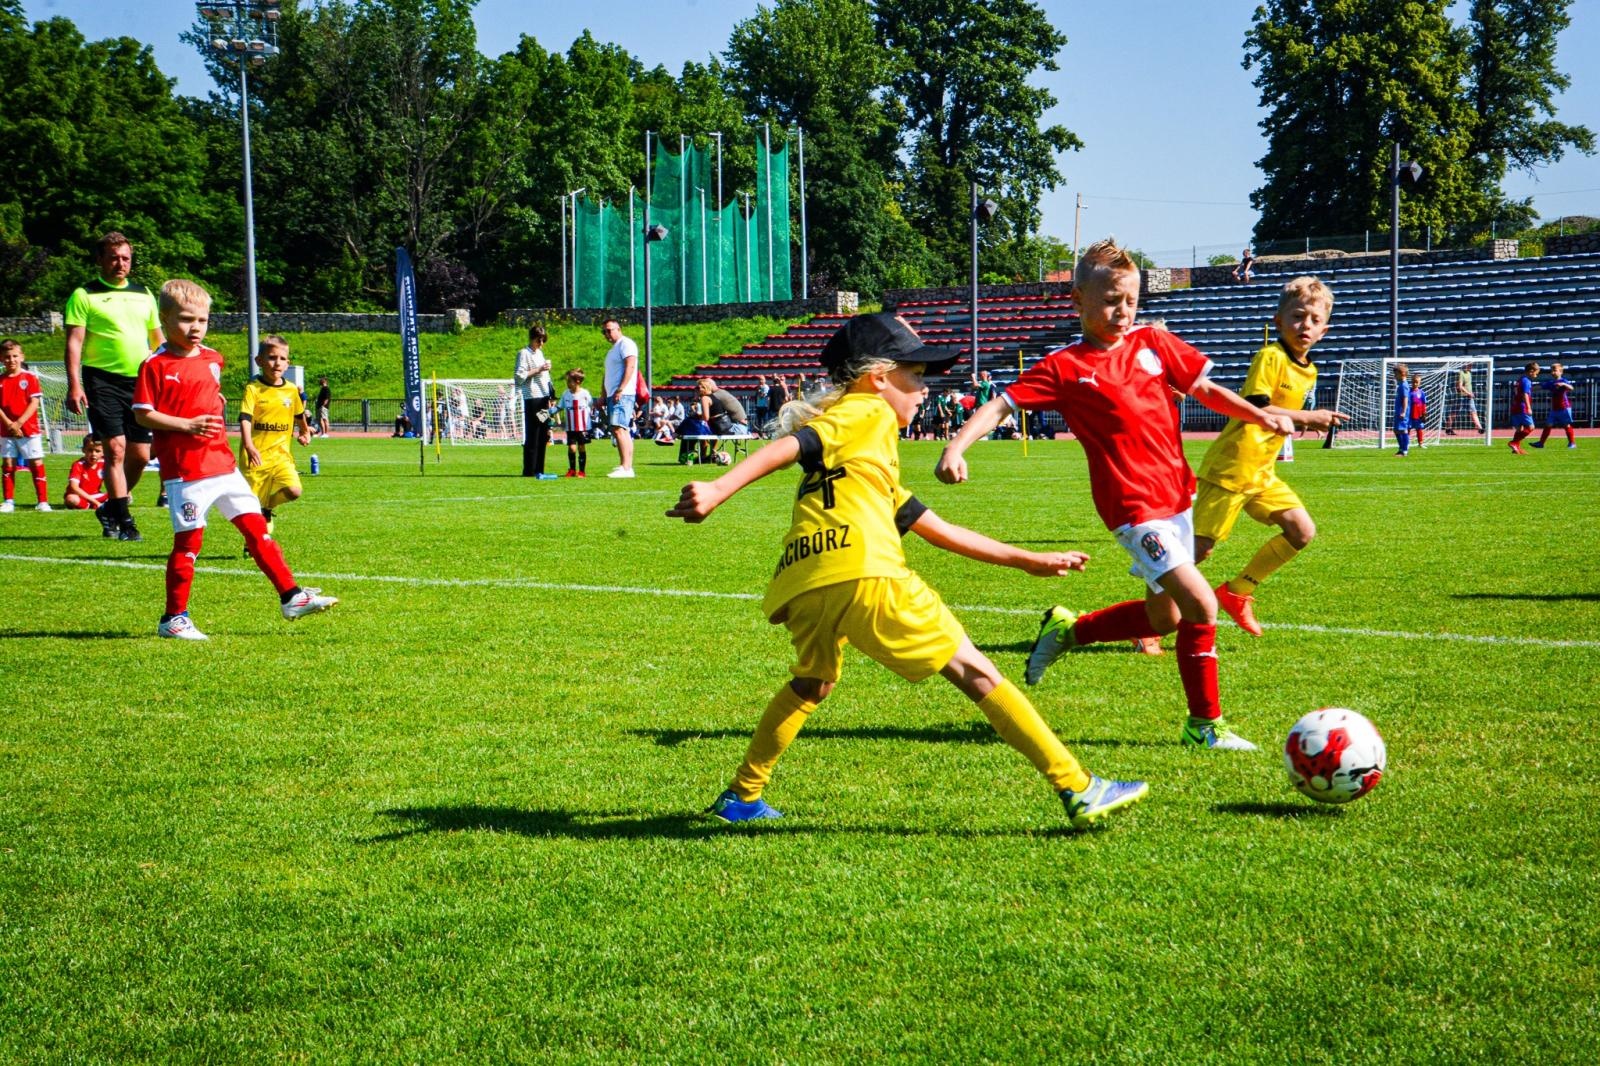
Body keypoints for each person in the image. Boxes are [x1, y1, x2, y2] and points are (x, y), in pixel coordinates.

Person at [667, 311, 1147, 829]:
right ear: (878, 377)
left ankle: (742, 796)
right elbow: (797, 443)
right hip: (865, 571)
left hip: (805, 578)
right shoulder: (867, 411)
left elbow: (934, 527)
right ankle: (1077, 786)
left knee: (812, 683)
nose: (924, 390)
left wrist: (1028, 560)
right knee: (977, 672)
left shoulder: (866, 457)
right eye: (915, 375)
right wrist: (718, 488)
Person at [937, 238, 1295, 752]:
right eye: (1110, 301)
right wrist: (955, 446)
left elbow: (1205, 390)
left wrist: (1259, 415)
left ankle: (1069, 631)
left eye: (1130, 300)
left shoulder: (1154, 343)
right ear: (1078, 300)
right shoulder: (1064, 366)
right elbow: (1001, 406)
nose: (1123, 311)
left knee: (1165, 618)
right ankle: (1204, 726)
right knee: (1200, 605)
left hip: (1178, 498)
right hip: (1132, 508)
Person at [132, 279, 337, 641]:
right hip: (186, 470)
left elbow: (206, 395)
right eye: (186, 319)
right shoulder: (155, 365)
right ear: (164, 319)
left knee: (257, 529)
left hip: (223, 464)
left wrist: (215, 404)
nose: (195, 327)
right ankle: (173, 618)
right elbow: (142, 413)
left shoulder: (213, 359)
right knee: (189, 544)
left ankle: (291, 597)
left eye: (202, 320)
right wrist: (186, 424)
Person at [1192, 276, 1349, 638]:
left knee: (1301, 531)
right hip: (1233, 466)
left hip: (1262, 471)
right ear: (1278, 321)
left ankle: (1237, 592)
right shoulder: (1270, 356)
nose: (1305, 325)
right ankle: (1147, 623)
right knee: (1196, 552)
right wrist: (1308, 417)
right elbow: (1257, 406)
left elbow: (1281, 416)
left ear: (1324, 331)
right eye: (1297, 316)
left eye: (1314, 320)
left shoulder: (1309, 369)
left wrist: (1303, 420)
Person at [63, 231, 164, 540]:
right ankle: (125, 520)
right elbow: (74, 343)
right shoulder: (84, 295)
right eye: (113, 258)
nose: (120, 263)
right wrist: (74, 384)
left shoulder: (144, 293)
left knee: (141, 455)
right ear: (100, 260)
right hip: (101, 380)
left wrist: (168, 376)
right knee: (116, 449)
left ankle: (110, 507)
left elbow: (157, 340)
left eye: (125, 258)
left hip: (140, 381)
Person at [238, 335, 311, 545]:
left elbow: (299, 414)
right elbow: (245, 418)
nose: (277, 363)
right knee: (251, 507)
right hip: (256, 458)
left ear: (288, 363)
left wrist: (304, 431)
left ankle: (268, 507)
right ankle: (252, 543)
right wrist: (249, 445)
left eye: (282, 358)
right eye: (271, 357)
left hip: (281, 456)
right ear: (259, 361)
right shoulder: (253, 389)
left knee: (294, 490)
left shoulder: (291, 390)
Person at [0, 339, 50, 512]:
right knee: (8, 463)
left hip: (29, 429)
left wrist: (19, 423)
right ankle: (8, 501)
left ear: (22, 357)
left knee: (35, 463)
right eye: (7, 357)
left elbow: (34, 402)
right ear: (1, 359)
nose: (11, 360)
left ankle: (42, 501)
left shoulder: (30, 377)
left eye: (15, 356)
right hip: (6, 430)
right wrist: (10, 424)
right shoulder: (1, 380)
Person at [514, 324, 556, 478]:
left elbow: (546, 377)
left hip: (544, 397)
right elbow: (519, 376)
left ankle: (539, 469)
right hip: (532, 397)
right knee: (533, 432)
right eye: (539, 340)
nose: (541, 343)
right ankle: (529, 470)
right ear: (532, 338)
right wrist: (539, 369)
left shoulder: (540, 353)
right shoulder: (523, 353)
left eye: (544, 340)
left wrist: (551, 395)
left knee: (543, 433)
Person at [600, 319, 639, 478]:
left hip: (622, 393)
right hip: (614, 393)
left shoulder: (626, 344)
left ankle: (626, 467)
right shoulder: (613, 350)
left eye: (609, 330)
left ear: (618, 329)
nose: (607, 334)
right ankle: (627, 466)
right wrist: (603, 394)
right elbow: (607, 374)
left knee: (618, 428)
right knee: (622, 429)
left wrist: (621, 389)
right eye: (604, 331)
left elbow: (630, 366)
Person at [558, 368, 594, 477]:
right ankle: (572, 470)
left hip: (583, 427)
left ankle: (582, 471)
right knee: (572, 448)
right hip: (571, 427)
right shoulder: (565, 394)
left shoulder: (585, 394)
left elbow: (591, 404)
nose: (568, 384)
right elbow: (559, 406)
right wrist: (549, 412)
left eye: (570, 381)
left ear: (577, 381)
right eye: (567, 381)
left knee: (581, 447)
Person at [1532, 362, 1576, 449]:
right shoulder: (1551, 383)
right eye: (1551, 371)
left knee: (1566, 425)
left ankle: (1572, 443)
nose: (1553, 372)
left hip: (1564, 407)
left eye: (1555, 370)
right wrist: (1526, 389)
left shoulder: (1564, 381)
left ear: (1561, 372)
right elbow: (1539, 387)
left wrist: (1564, 384)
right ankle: (1541, 443)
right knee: (1548, 425)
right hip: (1554, 409)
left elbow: (1571, 388)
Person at [64, 434, 108, 511]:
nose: (93, 454)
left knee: (123, 495)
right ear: (83, 450)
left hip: (95, 495)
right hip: (79, 496)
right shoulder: (78, 465)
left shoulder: (104, 463)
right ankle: (91, 505)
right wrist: (96, 502)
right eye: (90, 450)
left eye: (97, 451)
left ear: (103, 452)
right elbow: (74, 487)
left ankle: (92, 505)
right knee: (71, 499)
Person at [1507, 362, 1539, 454]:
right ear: (1531, 371)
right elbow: (1525, 394)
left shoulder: (1520, 379)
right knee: (1531, 427)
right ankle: (1514, 442)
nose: (1536, 375)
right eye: (1536, 373)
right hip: (1522, 407)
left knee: (1519, 429)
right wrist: (1528, 407)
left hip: (1515, 406)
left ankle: (1516, 448)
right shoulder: (1527, 381)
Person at [1444, 364, 1481, 436]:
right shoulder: (1461, 373)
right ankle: (1448, 428)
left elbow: (1468, 385)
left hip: (1469, 397)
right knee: (1454, 413)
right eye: (1469, 365)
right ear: (1465, 365)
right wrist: (1468, 393)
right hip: (1461, 397)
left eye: (1471, 365)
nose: (1471, 367)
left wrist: (1471, 392)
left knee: (1474, 412)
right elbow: (1460, 386)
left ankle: (1480, 428)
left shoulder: (1469, 373)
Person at [1391, 363, 1413, 456]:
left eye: (1396, 374)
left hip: (1403, 412)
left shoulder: (1404, 385)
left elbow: (1405, 399)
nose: (1394, 376)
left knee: (1403, 430)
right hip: (1399, 411)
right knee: (1396, 430)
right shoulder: (1401, 384)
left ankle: (1404, 451)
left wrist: (1403, 411)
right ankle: (1401, 449)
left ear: (1402, 374)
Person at [1409, 373, 1428, 446]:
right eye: (1413, 382)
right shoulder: (1408, 392)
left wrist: (1424, 413)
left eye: (1416, 382)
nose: (1415, 384)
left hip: (1419, 415)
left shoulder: (1421, 393)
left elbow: (1424, 404)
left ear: (1420, 383)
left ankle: (1420, 443)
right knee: (1408, 429)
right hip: (1410, 414)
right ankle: (1406, 443)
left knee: (1419, 429)